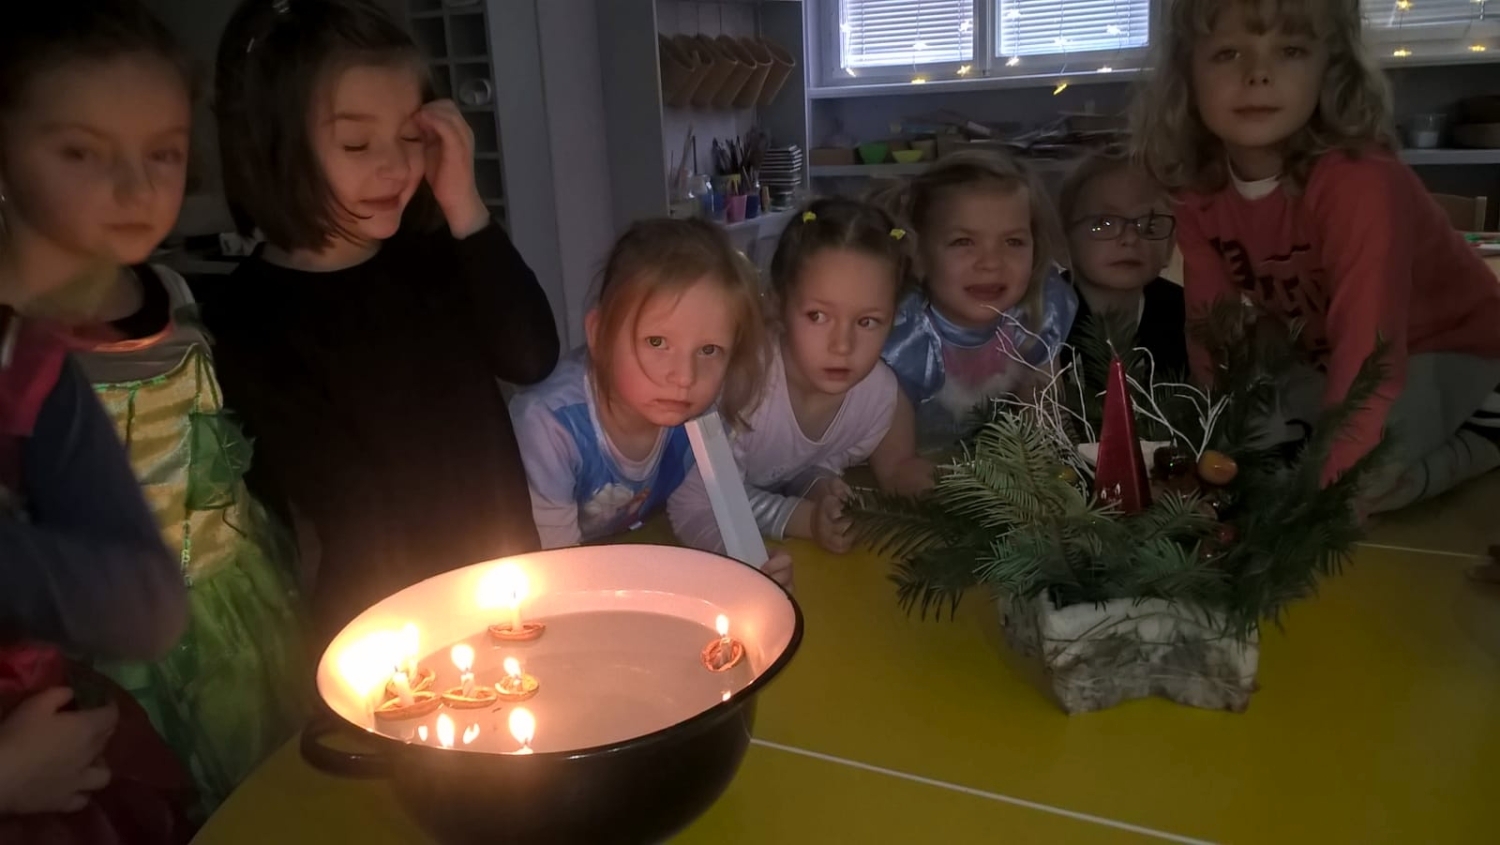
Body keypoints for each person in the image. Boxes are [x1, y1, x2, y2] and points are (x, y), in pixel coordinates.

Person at [0, 0, 309, 815]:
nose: (136, 188)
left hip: (232, 612)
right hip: (82, 669)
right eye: (81, 152)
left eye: (163, 153)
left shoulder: (172, 291)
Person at [200, 0, 560, 644]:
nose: (395, 167)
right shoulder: (248, 314)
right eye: (357, 143)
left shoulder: (435, 252)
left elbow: (531, 356)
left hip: (502, 589)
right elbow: (342, 505)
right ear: (274, 147)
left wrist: (465, 204)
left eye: (411, 137)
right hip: (389, 629)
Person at [1132, 0, 1500, 513]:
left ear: (1331, 68)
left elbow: (1372, 350)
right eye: (1227, 53)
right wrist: (1213, 436)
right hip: (1323, 352)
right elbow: (1211, 324)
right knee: (1258, 454)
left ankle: (1487, 432)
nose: (1257, 74)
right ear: (1186, 74)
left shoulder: (1360, 182)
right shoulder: (1198, 186)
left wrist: (1333, 485)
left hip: (1452, 345)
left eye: (1290, 51)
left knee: (1355, 483)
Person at [511, 218, 792, 587]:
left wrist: (746, 563)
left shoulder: (700, 414)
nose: (685, 377)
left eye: (709, 350)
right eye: (657, 342)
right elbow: (556, 566)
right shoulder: (551, 426)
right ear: (599, 334)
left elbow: (696, 508)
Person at [669, 198, 932, 556]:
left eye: (867, 321)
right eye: (818, 316)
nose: (842, 345)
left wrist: (821, 490)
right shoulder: (744, 383)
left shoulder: (876, 398)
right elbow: (702, 497)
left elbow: (800, 464)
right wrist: (804, 519)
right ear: (778, 304)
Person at [877, 150, 1078, 452]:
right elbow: (896, 464)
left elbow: (1049, 435)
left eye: (1013, 242)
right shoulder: (904, 332)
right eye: (963, 242)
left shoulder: (1035, 314)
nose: (991, 263)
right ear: (918, 254)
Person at [1058, 148, 1187, 393]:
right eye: (1103, 223)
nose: (1130, 238)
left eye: (1149, 225)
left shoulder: (1189, 316)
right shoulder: (1042, 320)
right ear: (1063, 243)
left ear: (1170, 245)